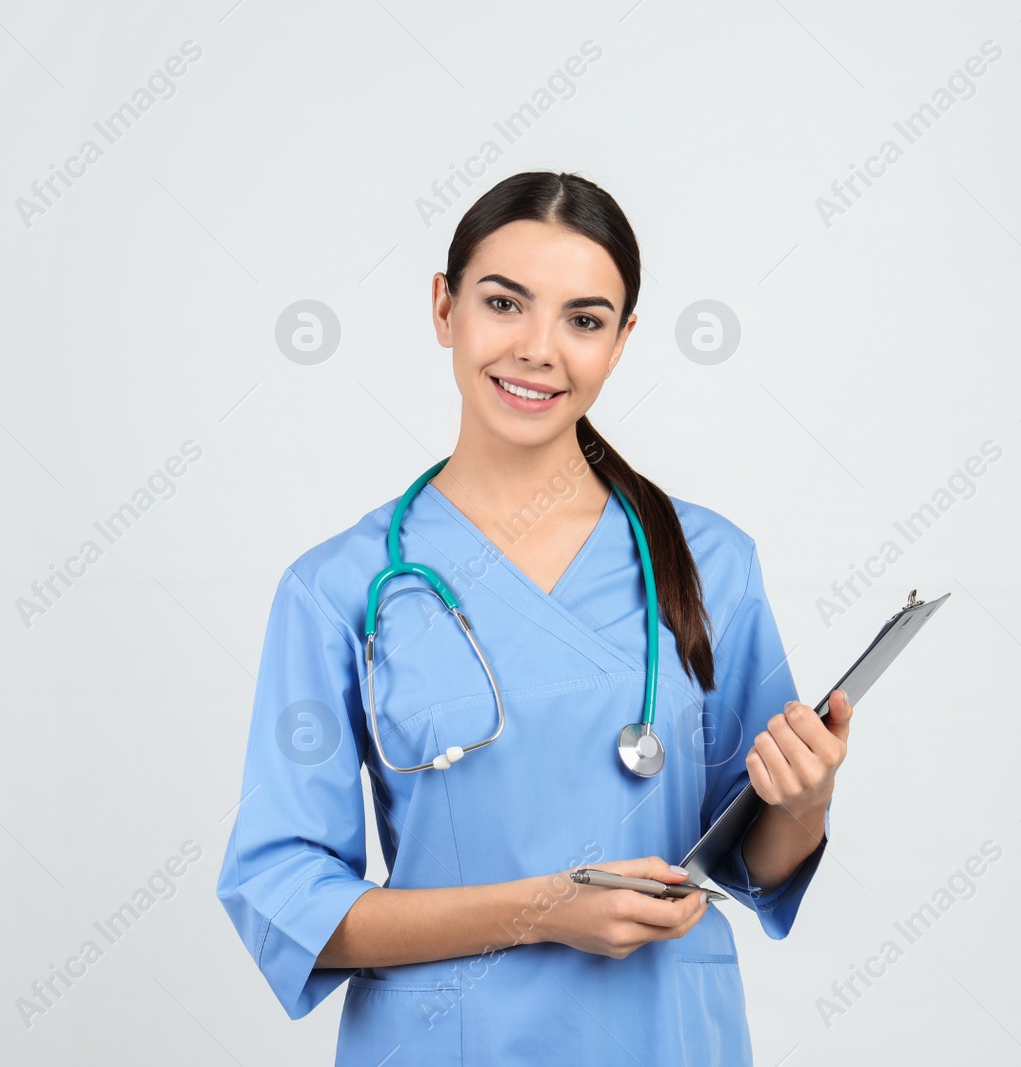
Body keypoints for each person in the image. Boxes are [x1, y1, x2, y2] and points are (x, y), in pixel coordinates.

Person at [215, 170, 853, 1065]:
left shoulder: (711, 562)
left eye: (584, 320)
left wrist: (808, 799)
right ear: (444, 308)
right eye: (505, 303)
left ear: (622, 341)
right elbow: (287, 897)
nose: (538, 349)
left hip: (665, 1038)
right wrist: (543, 909)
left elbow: (750, 861)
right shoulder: (340, 588)